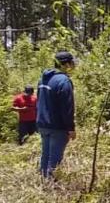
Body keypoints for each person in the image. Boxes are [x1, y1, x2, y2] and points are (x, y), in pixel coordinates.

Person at [36, 51, 77, 180]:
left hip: (43, 124)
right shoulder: (64, 81)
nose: (73, 65)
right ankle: (51, 185)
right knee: (55, 159)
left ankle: (43, 183)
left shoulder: (43, 79)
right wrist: (70, 128)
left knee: (45, 156)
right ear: (66, 64)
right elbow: (67, 107)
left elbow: (38, 100)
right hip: (57, 127)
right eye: (72, 63)